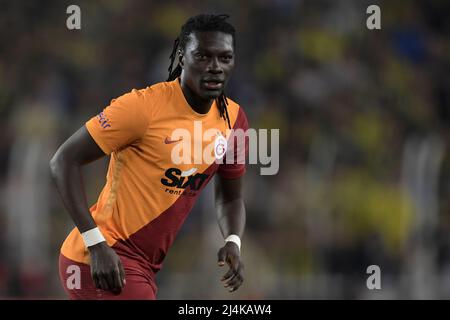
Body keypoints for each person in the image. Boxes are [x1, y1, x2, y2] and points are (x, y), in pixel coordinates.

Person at [50, 13, 249, 299]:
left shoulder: (235, 120)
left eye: (225, 58)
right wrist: (96, 244)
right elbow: (63, 161)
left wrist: (232, 240)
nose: (215, 67)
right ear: (182, 57)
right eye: (203, 57)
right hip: (100, 259)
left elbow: (230, 196)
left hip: (141, 266)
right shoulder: (142, 108)